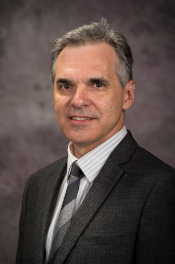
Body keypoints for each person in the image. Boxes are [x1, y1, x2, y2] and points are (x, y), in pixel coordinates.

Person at [16, 19, 175, 264]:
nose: (78, 100)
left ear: (128, 95)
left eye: (97, 84)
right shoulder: (37, 185)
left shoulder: (161, 188)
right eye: (66, 85)